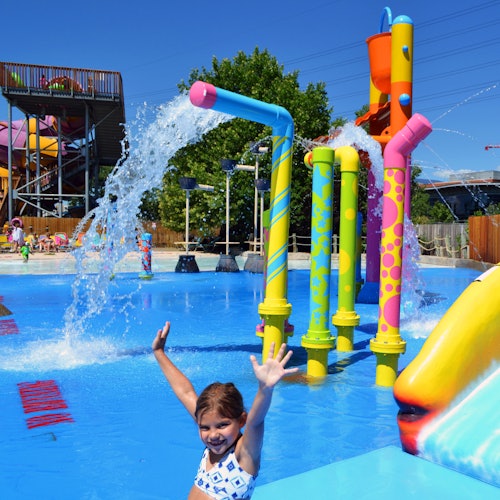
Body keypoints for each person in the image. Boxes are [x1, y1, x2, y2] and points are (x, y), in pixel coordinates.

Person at [152, 321, 298, 499]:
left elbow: (256, 422)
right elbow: (185, 392)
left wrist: (265, 389)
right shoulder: (209, 429)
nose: (213, 434)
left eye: (222, 425)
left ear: (241, 420)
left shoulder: (244, 453)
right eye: (204, 427)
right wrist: (159, 353)